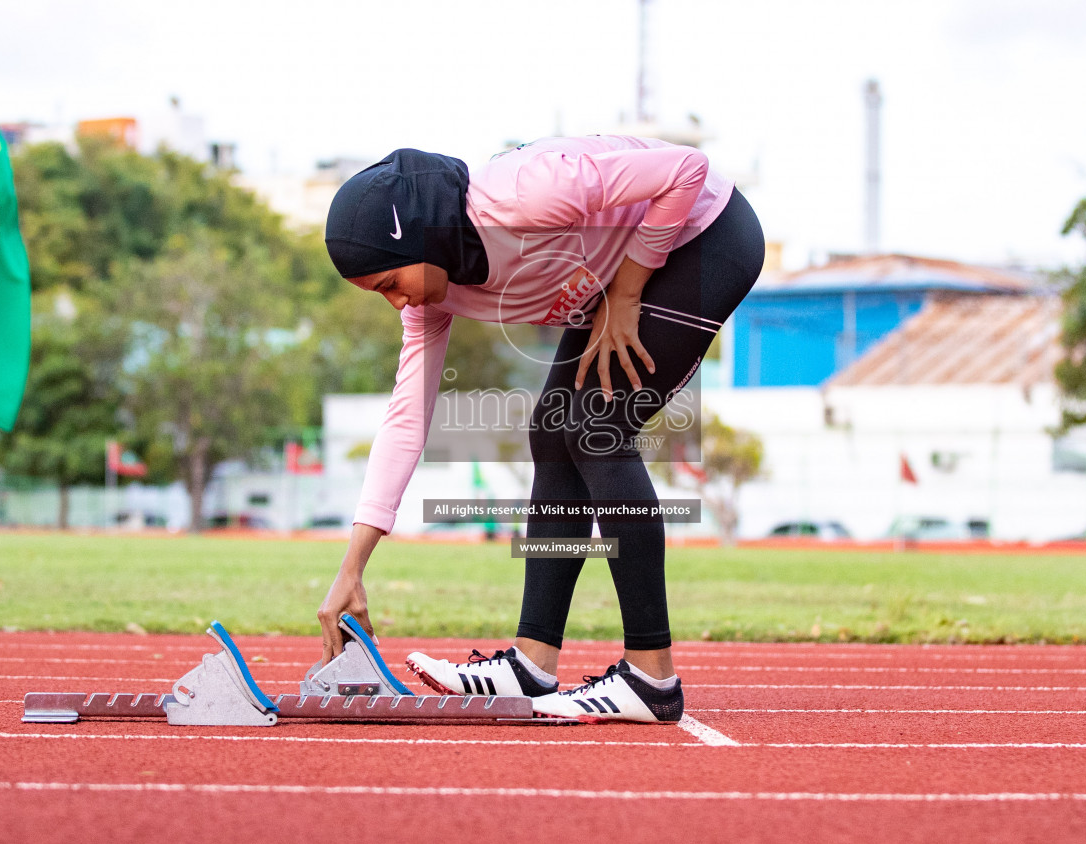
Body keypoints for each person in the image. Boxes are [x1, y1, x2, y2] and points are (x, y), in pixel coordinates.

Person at [317, 136, 764, 722]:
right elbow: (406, 418)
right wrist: (352, 568)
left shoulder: (524, 193)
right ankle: (532, 664)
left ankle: (651, 677)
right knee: (554, 435)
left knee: (595, 427)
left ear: (421, 237)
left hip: (705, 234)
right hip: (627, 266)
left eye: (390, 283)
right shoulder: (431, 302)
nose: (396, 302)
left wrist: (627, 292)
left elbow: (686, 169)